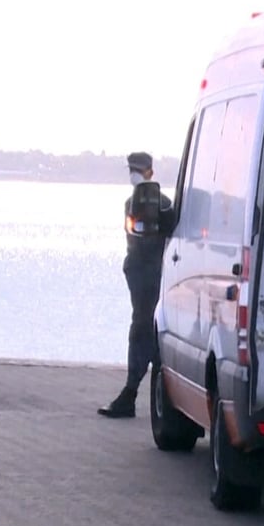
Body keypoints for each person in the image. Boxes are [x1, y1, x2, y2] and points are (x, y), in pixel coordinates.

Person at [98, 152, 175, 418]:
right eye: (131, 168)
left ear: (150, 173)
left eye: (138, 169)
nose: (134, 173)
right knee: (146, 329)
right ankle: (152, 390)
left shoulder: (164, 205)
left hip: (153, 275)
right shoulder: (131, 203)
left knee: (144, 329)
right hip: (141, 274)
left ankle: (133, 392)